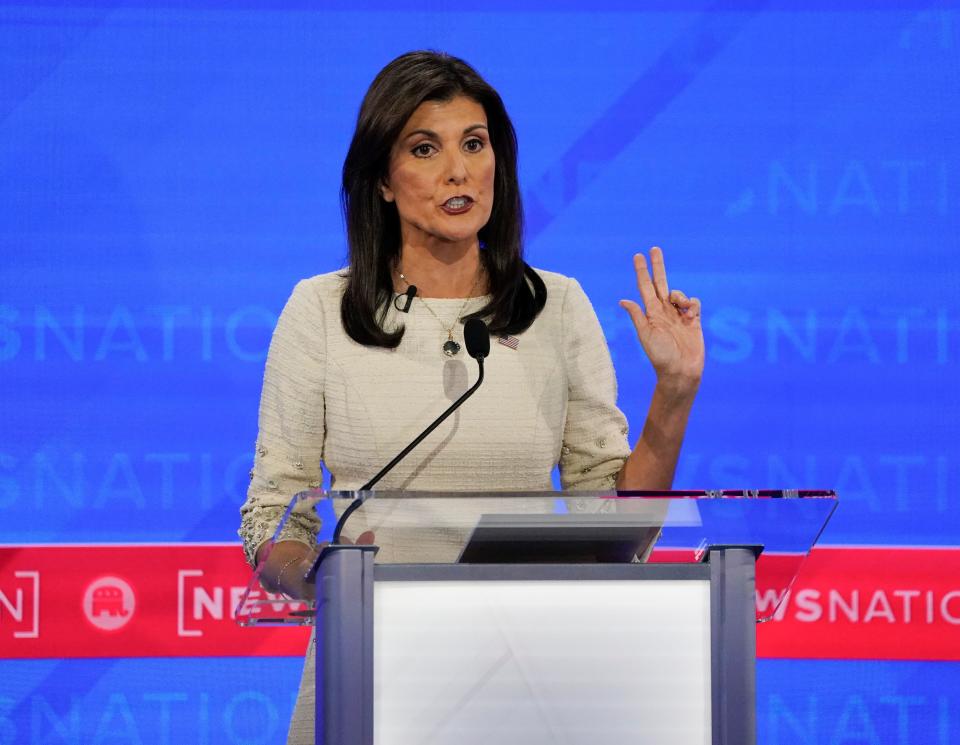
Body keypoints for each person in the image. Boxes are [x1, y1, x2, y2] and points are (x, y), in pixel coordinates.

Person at [238, 50, 704, 744]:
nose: (458, 170)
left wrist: (674, 392)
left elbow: (614, 525)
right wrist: (316, 574)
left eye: (474, 144)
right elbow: (273, 518)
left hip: (529, 674)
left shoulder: (557, 307)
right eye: (425, 148)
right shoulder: (321, 311)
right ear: (382, 183)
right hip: (367, 664)